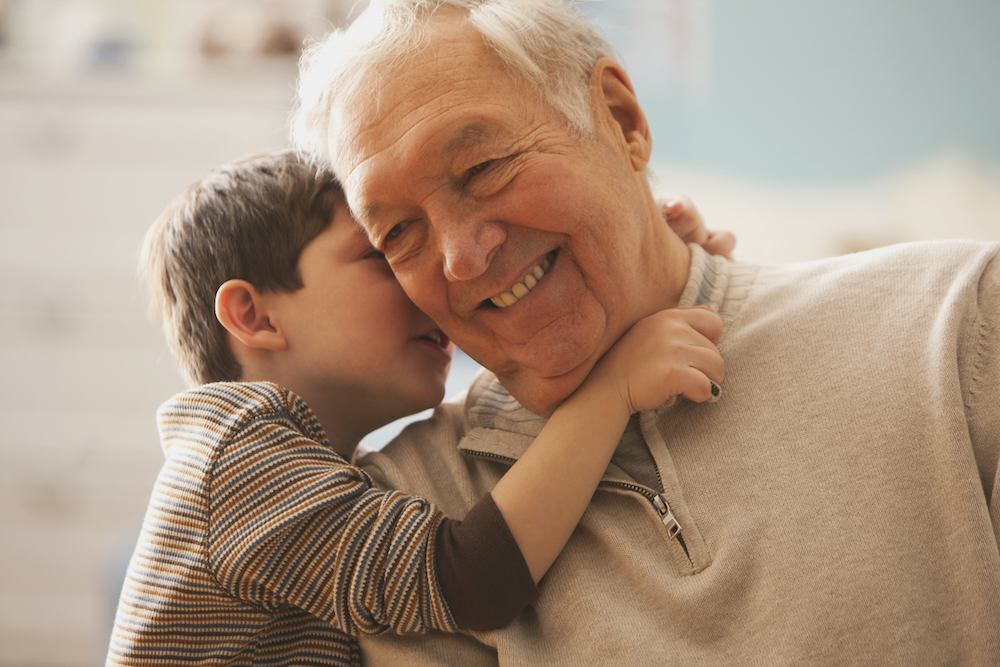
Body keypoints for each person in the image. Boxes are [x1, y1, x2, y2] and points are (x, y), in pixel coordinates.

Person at [290, 0, 1000, 664]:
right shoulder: (403, 523)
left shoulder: (957, 327)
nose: (461, 256)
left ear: (623, 121)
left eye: (482, 167)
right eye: (400, 231)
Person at [106, 150, 726, 666]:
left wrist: (645, 274)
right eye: (384, 255)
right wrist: (614, 386)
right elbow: (469, 579)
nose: (432, 285)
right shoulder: (236, 460)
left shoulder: (298, 464)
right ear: (255, 316)